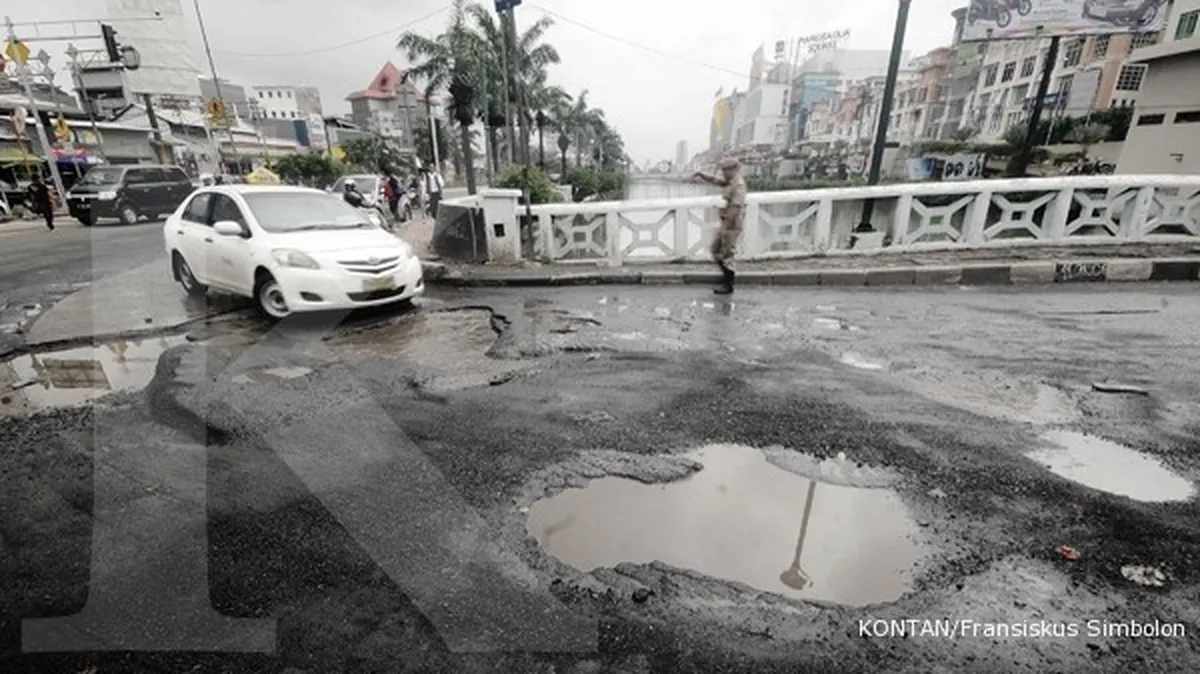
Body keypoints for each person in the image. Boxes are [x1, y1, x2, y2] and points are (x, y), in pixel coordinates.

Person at [693, 158, 746, 295]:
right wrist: (701, 175)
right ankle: (726, 279)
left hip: (731, 224)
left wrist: (724, 227)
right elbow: (716, 181)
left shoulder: (738, 185)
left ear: (733, 169)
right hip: (726, 223)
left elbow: (735, 208)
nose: (723, 173)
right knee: (716, 250)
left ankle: (728, 284)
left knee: (727, 254)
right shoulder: (731, 181)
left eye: (725, 170)